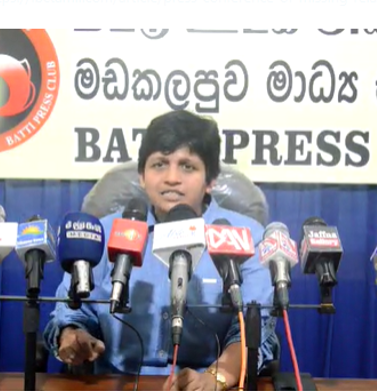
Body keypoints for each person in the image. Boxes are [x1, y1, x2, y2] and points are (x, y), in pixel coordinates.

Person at [43, 110, 278, 391]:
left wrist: (215, 378)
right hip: (116, 383)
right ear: (142, 176)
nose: (171, 178)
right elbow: (70, 314)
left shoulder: (246, 237)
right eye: (159, 164)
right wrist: (73, 336)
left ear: (210, 180)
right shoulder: (104, 232)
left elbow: (253, 328)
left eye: (187, 166)